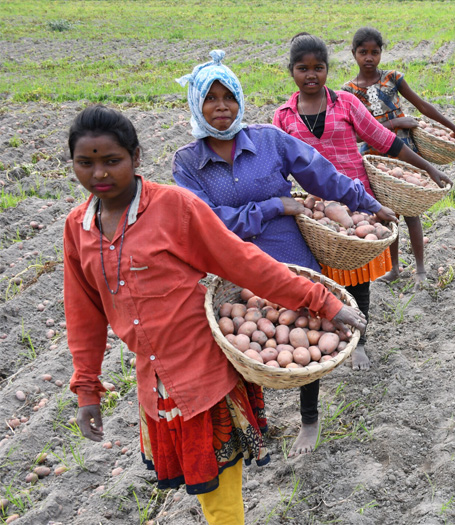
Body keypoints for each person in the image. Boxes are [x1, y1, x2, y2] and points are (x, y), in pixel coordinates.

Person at [64, 105, 365, 525]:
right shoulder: (78, 226)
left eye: (111, 161)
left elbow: (243, 262)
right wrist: (87, 390)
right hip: (156, 385)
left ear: (136, 157)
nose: (99, 173)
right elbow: (83, 312)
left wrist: (321, 300)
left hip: (204, 375)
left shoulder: (175, 207)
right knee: (210, 500)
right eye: (86, 163)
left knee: (221, 502)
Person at [171, 50, 396, 457]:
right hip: (233, 268)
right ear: (196, 104)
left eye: (229, 97)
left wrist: (368, 202)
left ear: (239, 100)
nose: (221, 106)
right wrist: (275, 206)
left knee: (307, 333)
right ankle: (253, 424)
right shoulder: (188, 163)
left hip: (289, 258)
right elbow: (207, 224)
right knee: (241, 349)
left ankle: (309, 420)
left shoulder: (269, 140)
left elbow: (321, 174)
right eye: (211, 98)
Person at [272, 33, 451, 364]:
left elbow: (386, 141)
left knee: (359, 279)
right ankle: (328, 338)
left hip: (358, 206)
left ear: (327, 69)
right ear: (292, 71)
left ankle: (360, 341)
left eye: (319, 67)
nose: (311, 75)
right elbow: (277, 169)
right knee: (321, 280)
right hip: (317, 211)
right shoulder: (283, 117)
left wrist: (429, 169)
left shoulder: (346, 103)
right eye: (303, 68)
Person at [341, 26, 455, 283]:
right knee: (387, 215)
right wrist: (394, 124)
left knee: (411, 212)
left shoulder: (393, 78)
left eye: (374, 52)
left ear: (381, 53)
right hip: (376, 160)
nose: (369, 57)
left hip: (404, 153)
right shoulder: (348, 92)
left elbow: (422, 105)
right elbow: (353, 135)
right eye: (363, 52)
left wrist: (454, 129)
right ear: (353, 53)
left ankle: (420, 269)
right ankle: (395, 268)